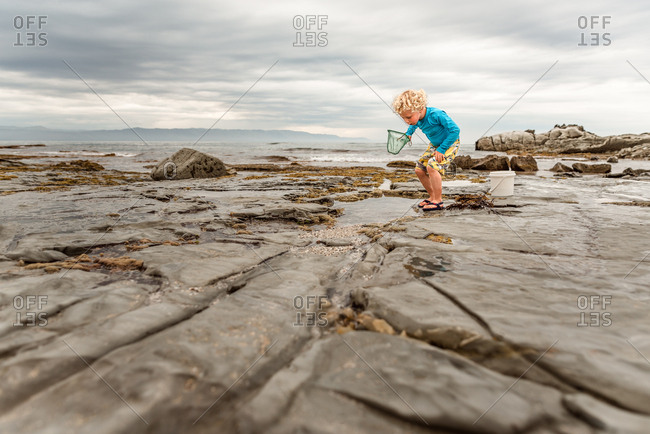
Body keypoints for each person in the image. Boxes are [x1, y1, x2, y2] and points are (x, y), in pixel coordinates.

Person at [392, 89, 460, 211]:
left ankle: (438, 201)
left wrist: (442, 149)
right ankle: (432, 196)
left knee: (432, 166)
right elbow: (414, 124)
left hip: (449, 144)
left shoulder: (436, 114)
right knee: (419, 169)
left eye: (408, 117)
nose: (407, 121)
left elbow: (455, 131)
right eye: (403, 118)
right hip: (434, 145)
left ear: (420, 108)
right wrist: (408, 133)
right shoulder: (416, 118)